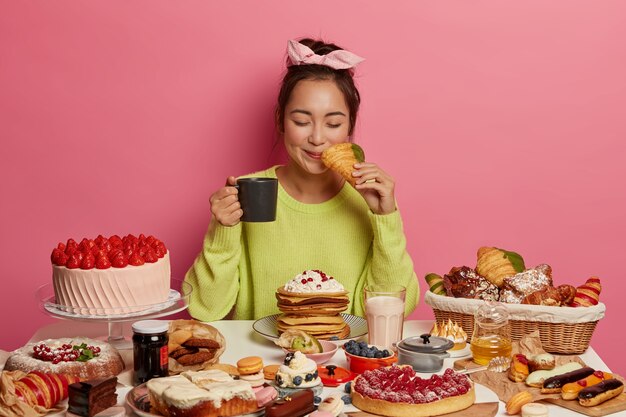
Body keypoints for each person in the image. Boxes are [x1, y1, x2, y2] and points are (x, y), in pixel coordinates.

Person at [185, 38, 418, 322]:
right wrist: (223, 230)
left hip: (344, 362)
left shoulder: (367, 199)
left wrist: (386, 219)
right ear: (281, 121)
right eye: (301, 121)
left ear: (350, 127)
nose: (318, 138)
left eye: (333, 124)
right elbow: (205, 308)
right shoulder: (247, 193)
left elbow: (394, 309)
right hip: (263, 363)